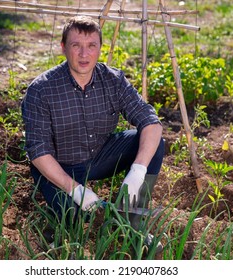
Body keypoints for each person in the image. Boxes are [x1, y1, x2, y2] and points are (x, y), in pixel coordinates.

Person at [21, 15, 165, 250]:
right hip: (60, 167)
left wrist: (137, 172)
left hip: (100, 156)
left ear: (100, 48)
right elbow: (38, 151)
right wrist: (76, 190)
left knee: (154, 143)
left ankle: (131, 222)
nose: (84, 54)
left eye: (91, 46)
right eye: (76, 45)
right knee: (78, 224)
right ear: (63, 48)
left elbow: (150, 121)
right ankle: (62, 217)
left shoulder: (113, 80)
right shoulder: (42, 89)